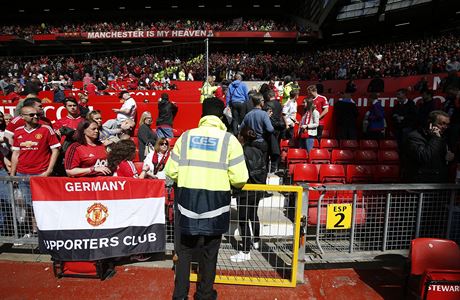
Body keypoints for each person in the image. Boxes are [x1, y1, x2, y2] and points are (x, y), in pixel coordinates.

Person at [165, 97, 249, 300]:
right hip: (216, 206)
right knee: (209, 254)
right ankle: (204, 294)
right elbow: (240, 179)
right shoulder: (229, 140)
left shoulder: (185, 137)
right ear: (220, 116)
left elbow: (171, 172)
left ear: (202, 115)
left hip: (186, 204)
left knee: (184, 252)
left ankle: (180, 295)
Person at [10, 105, 61, 237]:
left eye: (37, 114)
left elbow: (55, 149)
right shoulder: (18, 131)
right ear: (23, 117)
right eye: (31, 115)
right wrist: (12, 175)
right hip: (22, 174)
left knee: (42, 205)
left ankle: (46, 231)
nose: (36, 117)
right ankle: (33, 231)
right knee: (28, 205)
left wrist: (48, 171)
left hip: (41, 174)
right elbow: (15, 154)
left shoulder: (46, 129)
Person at [230, 127, 268, 263]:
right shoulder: (258, 151)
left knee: (243, 220)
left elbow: (239, 173)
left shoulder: (241, 152)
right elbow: (264, 169)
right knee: (253, 215)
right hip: (257, 189)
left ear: (241, 137)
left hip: (245, 190)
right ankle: (256, 241)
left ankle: (245, 251)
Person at [402, 110, 455, 183]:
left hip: (439, 183)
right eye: (441, 124)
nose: (445, 127)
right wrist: (435, 138)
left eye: (447, 124)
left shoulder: (443, 137)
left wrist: (450, 158)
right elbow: (424, 156)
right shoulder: (414, 137)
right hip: (421, 183)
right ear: (430, 123)